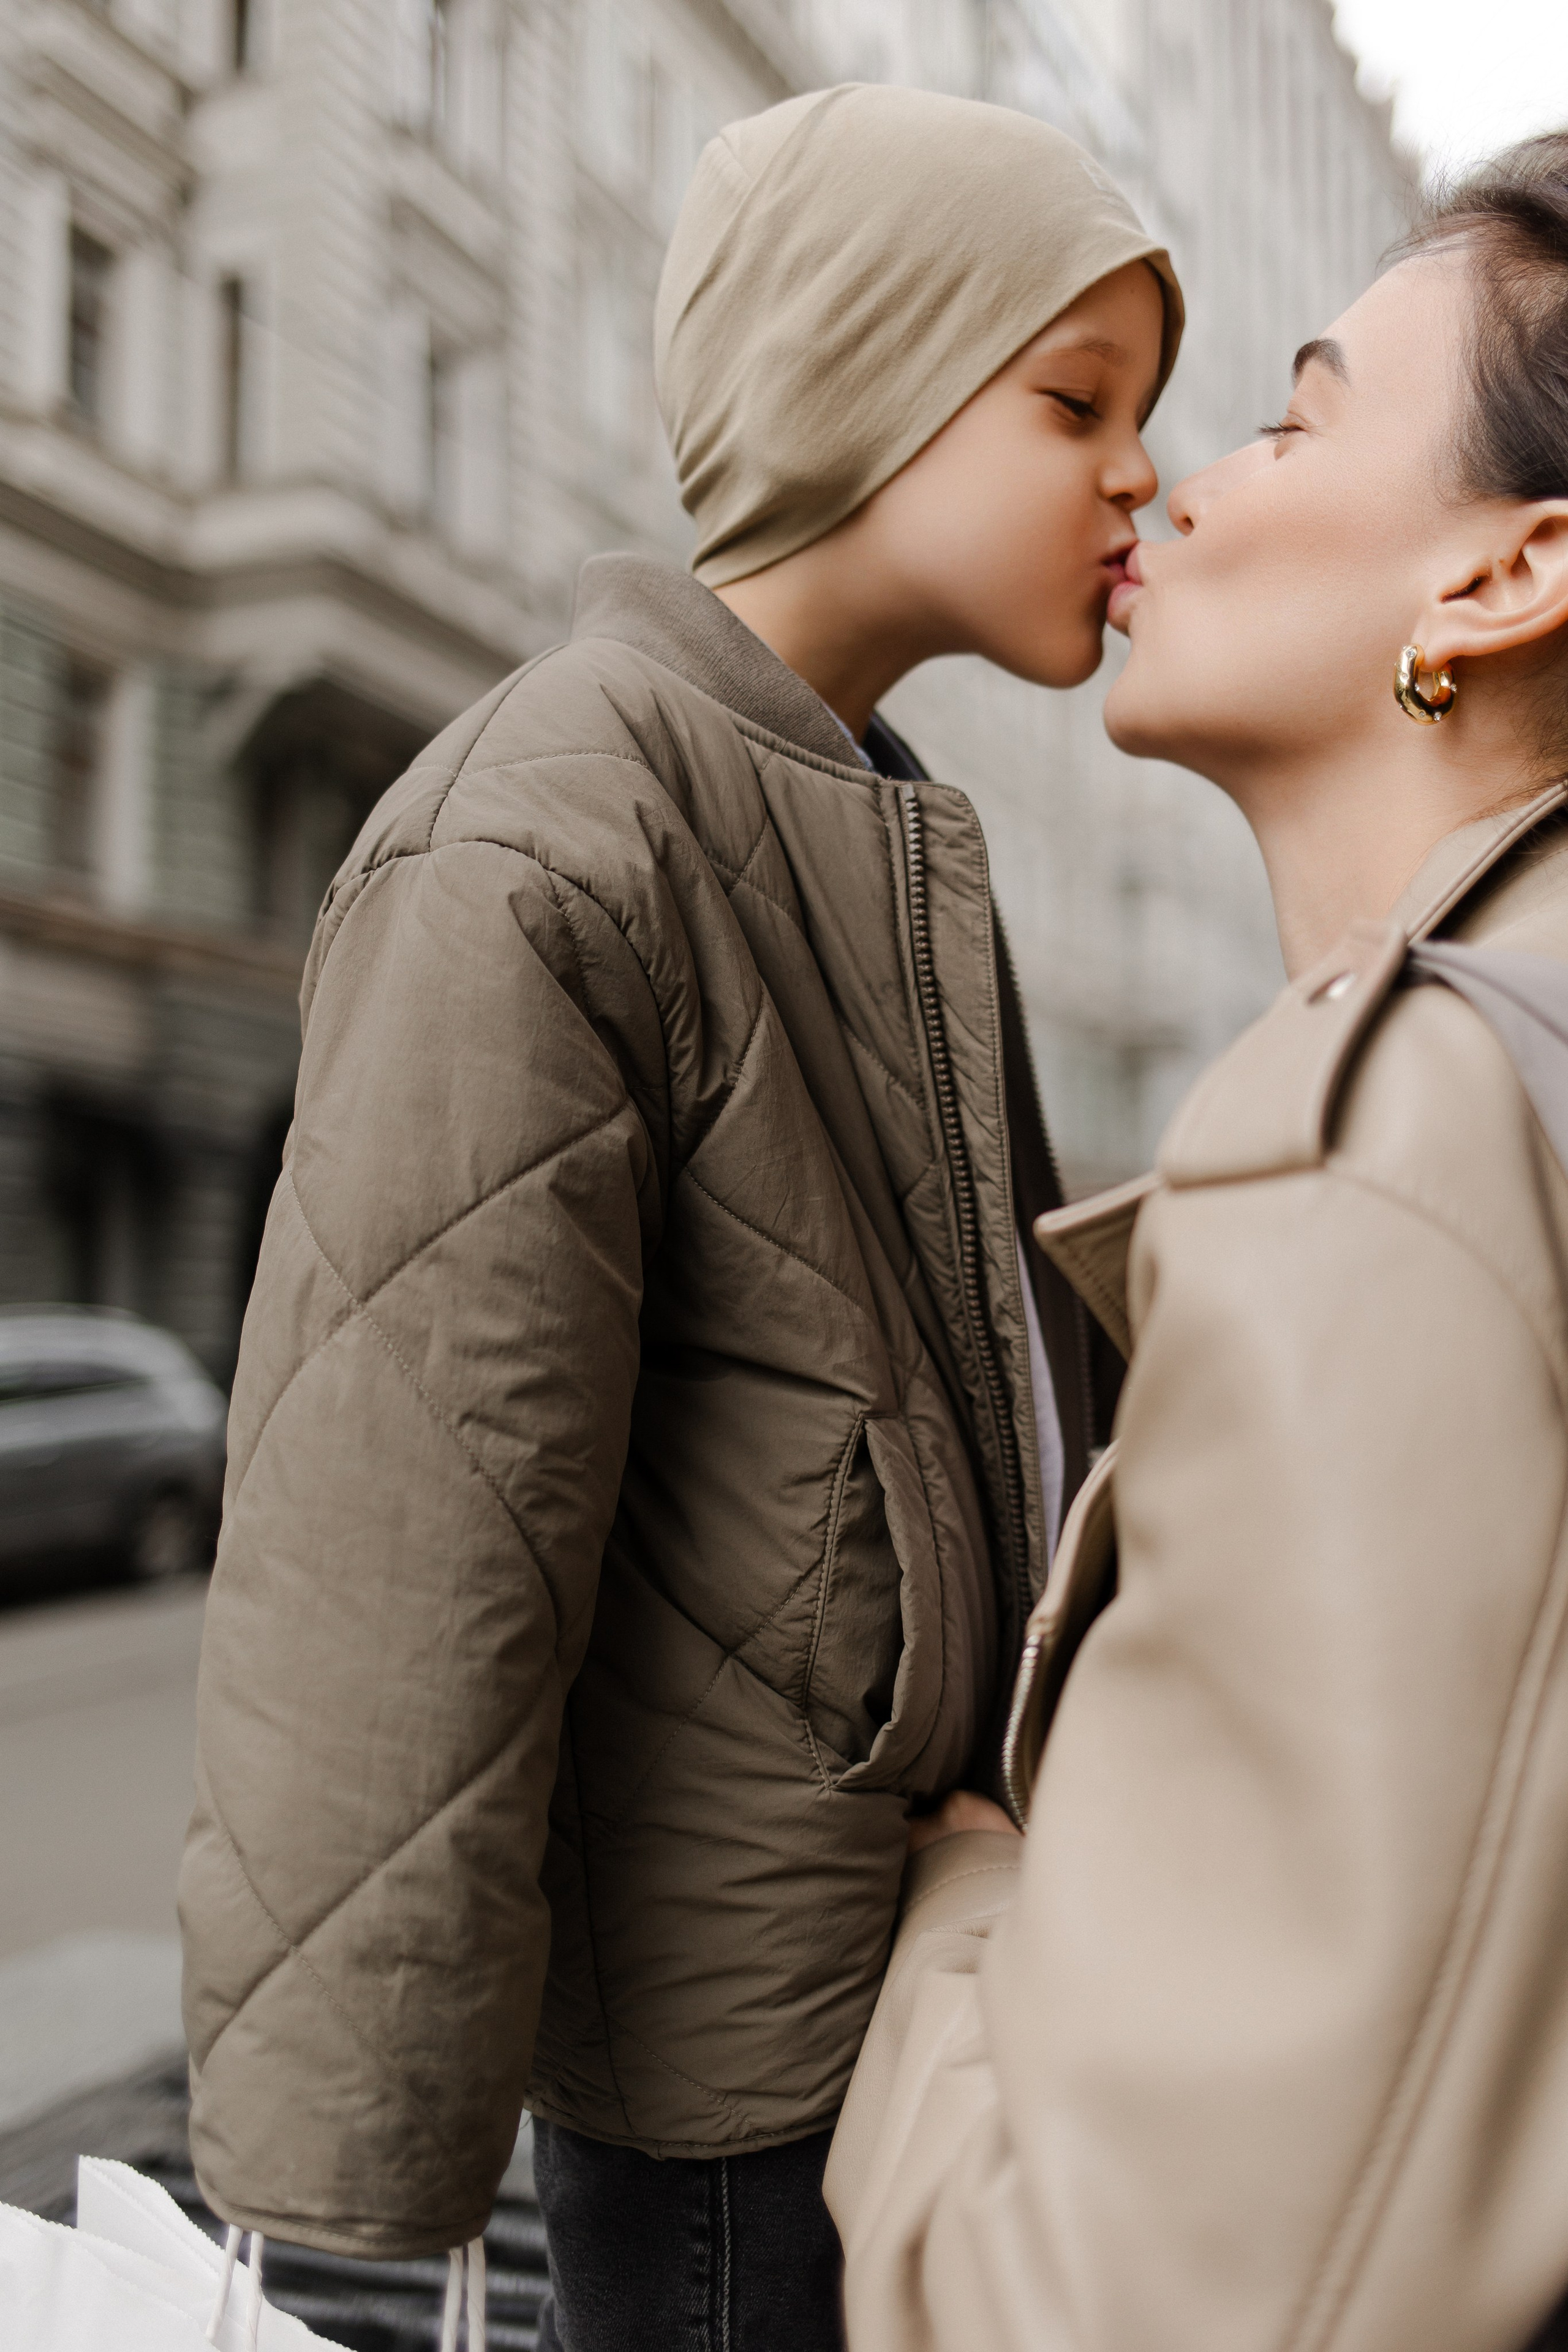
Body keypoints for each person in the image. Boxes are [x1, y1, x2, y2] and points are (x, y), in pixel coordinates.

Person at [176, 83, 1183, 2351]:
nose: (1143, 473)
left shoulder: (880, 825)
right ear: (861, 380)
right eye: (1076, 401)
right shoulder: (555, 823)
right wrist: (360, 2151)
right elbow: (405, 1519)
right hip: (740, 2090)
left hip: (929, 1980)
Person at [826, 131, 1568, 2352]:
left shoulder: (1395, 1146)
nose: (1179, 484)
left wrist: (965, 1910)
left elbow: (1119, 2307)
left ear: (1509, 574)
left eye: (1293, 420)